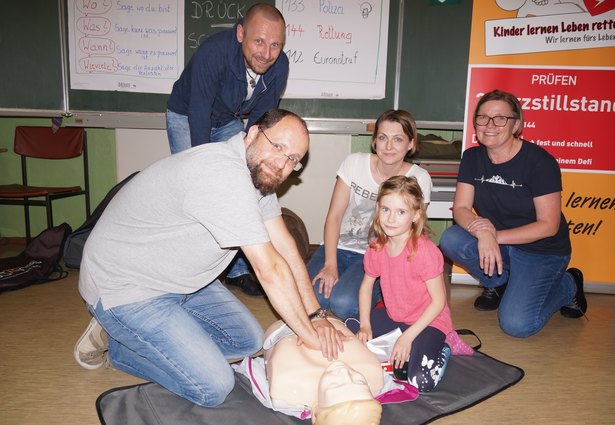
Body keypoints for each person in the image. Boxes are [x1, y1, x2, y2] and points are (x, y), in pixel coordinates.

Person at [74, 109, 344, 408]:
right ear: (252, 133)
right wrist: (310, 337)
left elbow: (286, 249)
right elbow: (270, 270)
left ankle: (135, 335)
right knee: (214, 387)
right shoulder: (222, 174)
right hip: (127, 287)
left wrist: (315, 316)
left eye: (293, 159)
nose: (282, 163)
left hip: (181, 279)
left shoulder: (257, 173)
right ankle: (119, 347)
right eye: (278, 146)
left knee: (248, 342)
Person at [438, 89, 587, 339]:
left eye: (500, 119)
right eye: (482, 118)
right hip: (500, 244)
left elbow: (548, 225)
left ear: (517, 124)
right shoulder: (472, 157)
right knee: (451, 239)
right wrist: (484, 234)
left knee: (517, 325)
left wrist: (493, 236)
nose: (490, 125)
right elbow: (462, 208)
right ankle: (499, 282)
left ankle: (569, 285)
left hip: (541, 250)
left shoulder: (540, 162)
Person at [166, 3, 290, 296]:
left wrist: (250, 157)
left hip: (227, 120)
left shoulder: (280, 66)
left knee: (242, 187)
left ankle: (236, 270)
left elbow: (260, 119)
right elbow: (199, 110)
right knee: (198, 190)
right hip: (187, 115)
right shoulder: (214, 53)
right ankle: (192, 270)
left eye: (275, 45)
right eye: (258, 41)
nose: (266, 53)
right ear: (240, 34)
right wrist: (203, 166)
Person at [307, 110, 433, 320]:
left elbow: (411, 232)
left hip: (377, 255)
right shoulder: (354, 163)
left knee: (344, 303)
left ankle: (376, 295)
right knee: (311, 296)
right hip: (338, 247)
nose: (389, 146)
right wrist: (330, 264)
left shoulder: (419, 178)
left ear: (411, 144)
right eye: (383, 138)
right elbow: (334, 217)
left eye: (398, 139)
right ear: (374, 141)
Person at [355, 176, 452, 393]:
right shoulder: (377, 247)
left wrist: (408, 338)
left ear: (416, 215)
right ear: (378, 208)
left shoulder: (425, 251)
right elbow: (366, 287)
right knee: (349, 332)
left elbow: (438, 302)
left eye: (401, 212)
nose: (390, 218)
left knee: (421, 380)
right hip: (396, 317)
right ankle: (397, 347)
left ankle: (444, 349)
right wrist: (365, 325)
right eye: (386, 209)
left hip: (429, 321)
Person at [264, 318, 384, 410]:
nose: (344, 372)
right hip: (329, 320)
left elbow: (287, 341)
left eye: (336, 385)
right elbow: (350, 339)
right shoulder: (371, 369)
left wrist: (306, 332)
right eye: (359, 382)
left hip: (283, 326)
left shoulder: (289, 379)